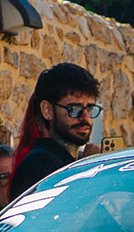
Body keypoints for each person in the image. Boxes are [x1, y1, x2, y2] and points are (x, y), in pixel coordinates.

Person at [13, 62, 102, 193]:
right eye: (74, 109)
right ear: (47, 110)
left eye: (89, 108)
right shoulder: (40, 164)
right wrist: (88, 168)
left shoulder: (61, 161)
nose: (85, 117)